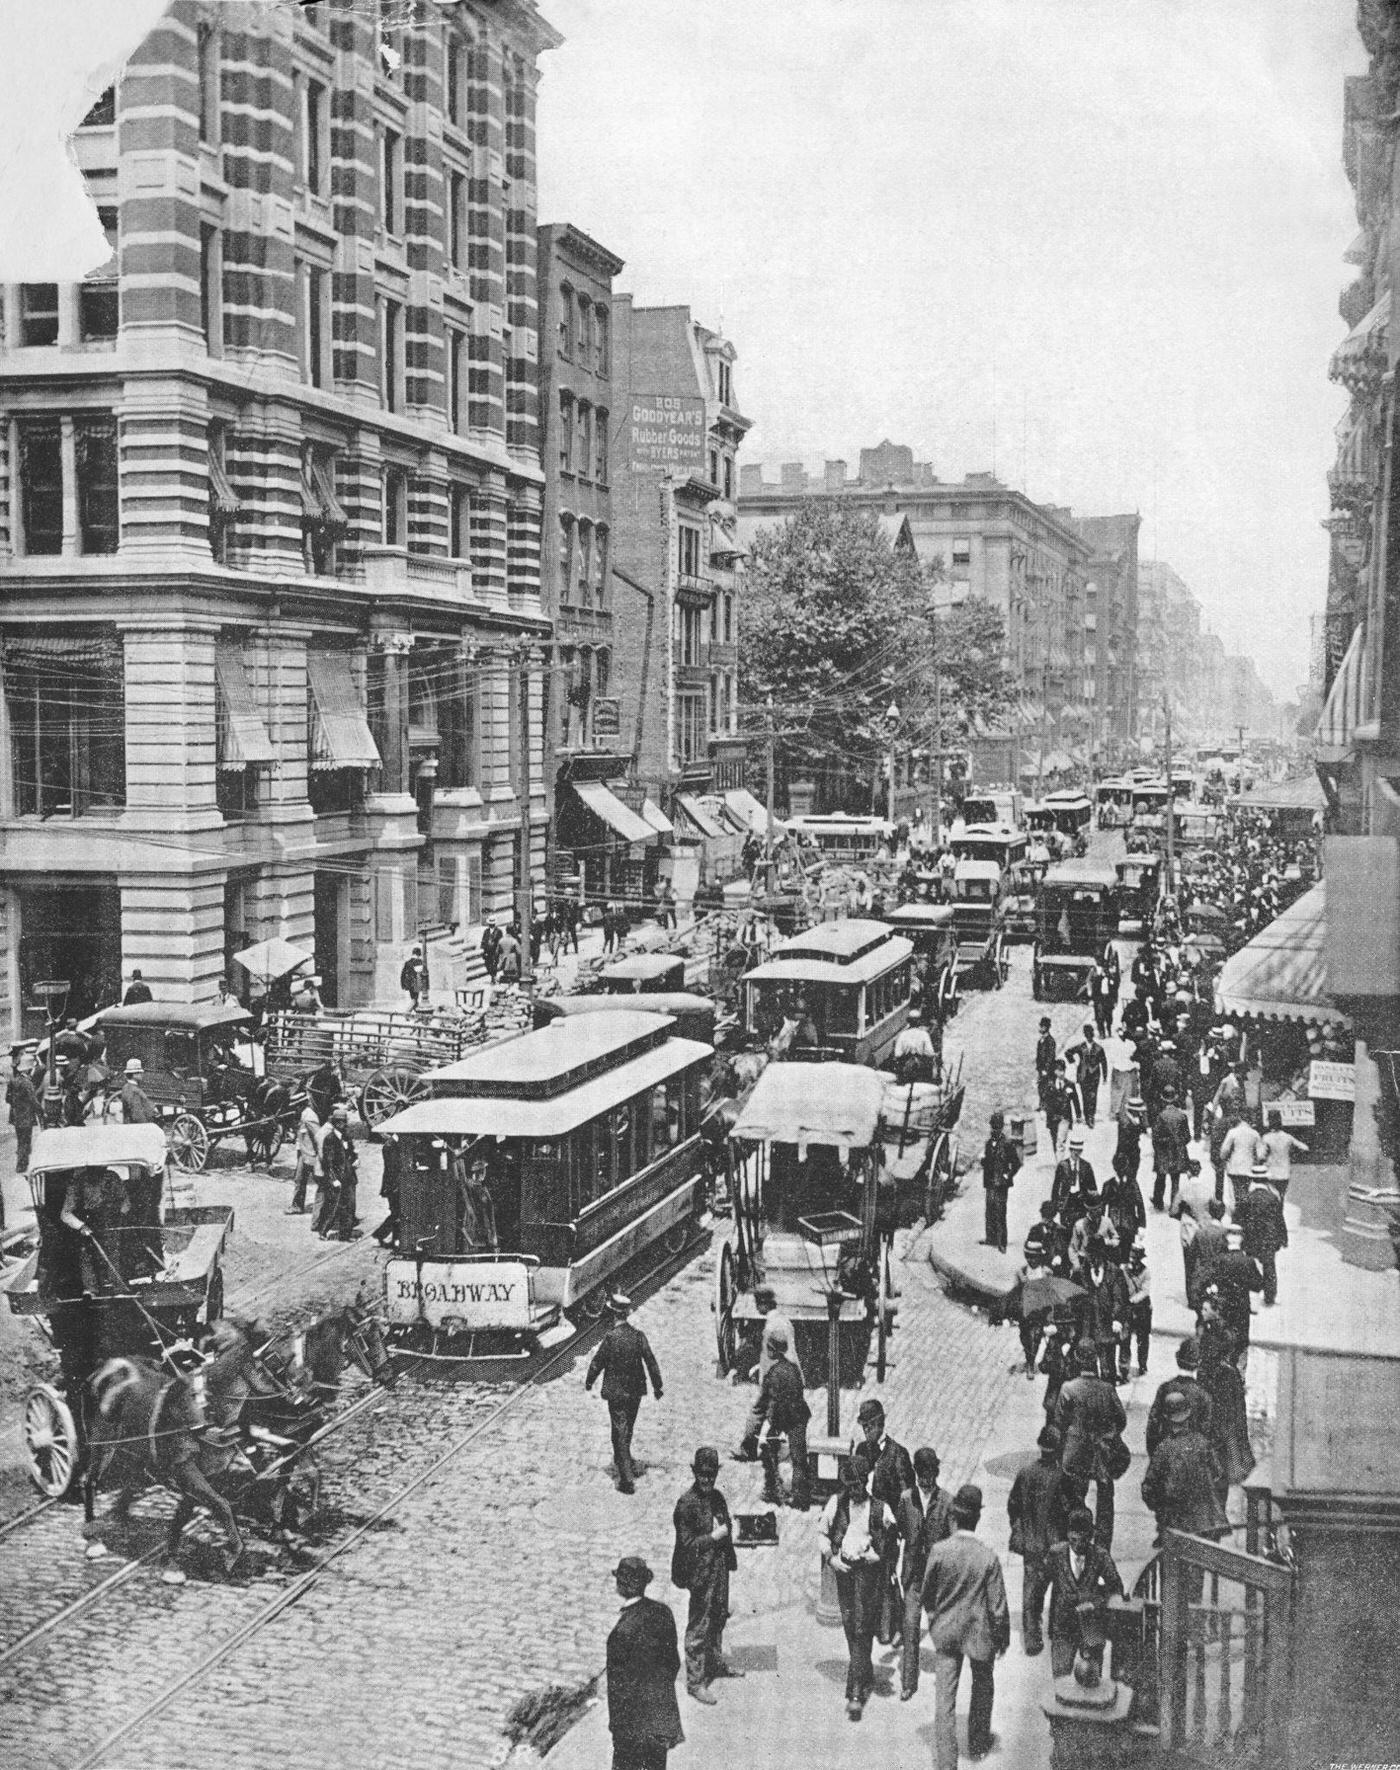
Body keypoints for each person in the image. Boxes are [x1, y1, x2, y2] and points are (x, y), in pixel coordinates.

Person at [921, 1484, 1011, 1769]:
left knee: (944, 1699)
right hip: (979, 1634)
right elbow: (998, 1607)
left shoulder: (939, 1551)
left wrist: (935, 1619)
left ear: (953, 1517)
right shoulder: (988, 1557)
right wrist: (1002, 1638)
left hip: (946, 1633)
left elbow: (926, 1595)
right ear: (978, 1518)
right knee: (983, 1686)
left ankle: (947, 1762)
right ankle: (978, 1744)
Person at [820, 1456, 894, 1720]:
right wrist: (831, 1559)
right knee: (851, 1626)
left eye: (859, 1486)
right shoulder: (836, 1504)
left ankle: (855, 1693)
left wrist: (880, 1555)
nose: (855, 1491)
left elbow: (893, 1540)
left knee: (863, 1627)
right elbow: (822, 1533)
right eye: (851, 1487)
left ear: (866, 1482)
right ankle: (865, 1673)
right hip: (845, 1574)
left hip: (869, 1576)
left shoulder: (880, 1509)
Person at [671, 1447, 740, 1705]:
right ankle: (696, 1682)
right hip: (700, 1573)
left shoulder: (718, 1498)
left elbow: (727, 1525)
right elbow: (686, 1544)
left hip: (719, 1568)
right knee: (699, 1625)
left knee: (719, 1615)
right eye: (702, 1475)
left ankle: (714, 1663)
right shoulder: (686, 1504)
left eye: (711, 1476)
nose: (707, 1480)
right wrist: (713, 1537)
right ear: (695, 1473)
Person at [606, 1556, 684, 1770]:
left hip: (630, 1727)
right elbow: (673, 1664)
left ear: (620, 1585)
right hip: (659, 1718)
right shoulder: (663, 1612)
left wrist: (616, 1729)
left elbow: (616, 1690)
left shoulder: (620, 1634)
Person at [586, 1292, 664, 1495]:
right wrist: (657, 1386)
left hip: (616, 1393)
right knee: (627, 1427)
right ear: (627, 1314)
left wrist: (589, 1380)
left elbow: (598, 1362)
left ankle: (626, 1479)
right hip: (635, 1392)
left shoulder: (611, 1338)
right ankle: (625, 1459)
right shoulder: (638, 1336)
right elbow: (651, 1361)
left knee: (619, 1432)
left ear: (613, 1315)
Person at [1007, 1425, 1073, 1658]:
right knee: (1059, 1589)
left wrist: (1021, 1529)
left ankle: (1032, 1638)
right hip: (1054, 1545)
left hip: (1031, 1544)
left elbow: (1012, 1506)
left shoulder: (1025, 1473)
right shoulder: (1062, 1477)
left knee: (1031, 1593)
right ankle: (1056, 1629)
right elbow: (1069, 1511)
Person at [1055, 1341, 1128, 1550]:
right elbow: (1121, 1419)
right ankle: (1103, 1546)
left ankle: (1077, 1539)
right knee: (1105, 1500)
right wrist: (1108, 1434)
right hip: (1101, 1452)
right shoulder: (1107, 1389)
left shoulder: (1068, 1388)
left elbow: (1059, 1422)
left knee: (1074, 1498)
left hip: (1076, 1452)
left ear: (1077, 1360)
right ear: (1095, 1360)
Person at [899, 1446, 956, 1698]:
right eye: (922, 1473)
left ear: (936, 1472)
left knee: (940, 1630)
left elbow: (954, 1541)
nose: (926, 1478)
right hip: (913, 1576)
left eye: (930, 1473)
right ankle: (908, 1683)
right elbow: (900, 1531)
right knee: (910, 1626)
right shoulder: (906, 1498)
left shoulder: (946, 1501)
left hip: (936, 1579)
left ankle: (945, 1680)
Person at [1141, 1392, 1230, 1548]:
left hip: (1177, 1523)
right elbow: (1218, 1475)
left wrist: (1159, 1509)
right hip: (1206, 1522)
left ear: (1167, 1418)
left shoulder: (1164, 1449)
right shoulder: (1203, 1443)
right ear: (1188, 1415)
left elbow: (1149, 1488)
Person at [1044, 1506, 1124, 1677]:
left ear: (1091, 1535)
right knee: (1060, 1678)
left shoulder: (1101, 1556)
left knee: (1092, 1678)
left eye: (1084, 1538)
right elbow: (1038, 1589)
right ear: (1067, 1534)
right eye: (1074, 1537)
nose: (1079, 1543)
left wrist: (1095, 1605)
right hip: (1063, 1628)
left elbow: (1116, 1589)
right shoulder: (1055, 1555)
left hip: (1092, 1628)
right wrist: (1033, 1627)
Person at [733, 1287, 802, 1460]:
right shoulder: (785, 1321)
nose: (757, 1308)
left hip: (775, 1379)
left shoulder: (770, 1327)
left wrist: (763, 1378)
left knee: (758, 1411)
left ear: (765, 1304)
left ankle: (748, 1449)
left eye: (758, 1304)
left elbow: (769, 1356)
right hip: (789, 1376)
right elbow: (792, 1352)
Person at [753, 1328, 811, 1509]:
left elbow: (763, 1405)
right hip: (799, 1417)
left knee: (767, 1450)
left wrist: (752, 1434)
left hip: (781, 1418)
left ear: (771, 1350)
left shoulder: (772, 1374)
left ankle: (772, 1489)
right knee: (799, 1458)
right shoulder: (793, 1369)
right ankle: (801, 1497)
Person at [1145, 1339, 1213, 1457]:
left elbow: (1153, 1425)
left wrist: (1155, 1455)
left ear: (1177, 1358)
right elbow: (1206, 1431)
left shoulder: (1165, 1389)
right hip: (1192, 1457)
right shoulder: (1203, 1395)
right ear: (1199, 1362)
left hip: (1166, 1454)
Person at [1237, 1161, 1288, 1306]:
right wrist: (1283, 1238)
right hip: (1269, 1238)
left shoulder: (1246, 1198)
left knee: (1250, 1266)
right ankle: (1269, 1296)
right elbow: (1279, 1219)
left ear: (1252, 1179)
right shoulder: (1273, 1198)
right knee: (1269, 1266)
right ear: (1266, 1179)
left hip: (1251, 1237)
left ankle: (1249, 1294)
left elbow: (1239, 1220)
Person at [316, 1103, 359, 1239]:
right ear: (335, 1123)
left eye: (344, 1122)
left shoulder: (346, 1137)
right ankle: (323, 1231)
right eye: (340, 1122)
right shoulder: (330, 1139)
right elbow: (327, 1163)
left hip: (349, 1177)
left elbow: (352, 1153)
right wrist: (333, 1179)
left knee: (350, 1206)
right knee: (333, 1206)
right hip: (337, 1179)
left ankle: (345, 1234)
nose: (343, 1125)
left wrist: (355, 1160)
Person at [980, 1111, 1021, 1253]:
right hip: (990, 1182)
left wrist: (1007, 1176)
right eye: (993, 1127)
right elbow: (987, 1161)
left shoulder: (1008, 1144)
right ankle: (990, 1238)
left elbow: (1016, 1163)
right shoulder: (988, 1143)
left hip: (1001, 1184)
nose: (994, 1130)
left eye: (997, 1127)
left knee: (1000, 1212)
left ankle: (1002, 1242)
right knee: (989, 1210)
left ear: (1001, 1127)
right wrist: (983, 1161)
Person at [1150, 1084, 1191, 1213]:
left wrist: (1157, 1150)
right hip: (1178, 1153)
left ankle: (1158, 1202)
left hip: (1163, 1152)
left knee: (1160, 1178)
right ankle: (1174, 1206)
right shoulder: (1182, 1116)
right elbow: (1188, 1137)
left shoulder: (1161, 1116)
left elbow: (1155, 1137)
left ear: (1163, 1099)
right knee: (1175, 1181)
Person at [1065, 1024, 1109, 1129]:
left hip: (1094, 1076)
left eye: (1090, 1034)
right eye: (1087, 1034)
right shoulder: (1081, 1046)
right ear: (1085, 1035)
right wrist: (1074, 1062)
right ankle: (1086, 1115)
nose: (1089, 1036)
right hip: (1083, 1075)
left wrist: (1105, 1077)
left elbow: (1104, 1062)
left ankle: (1091, 1117)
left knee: (1093, 1097)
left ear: (1093, 1035)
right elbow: (1068, 1052)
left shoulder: (1099, 1048)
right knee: (1085, 1097)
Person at [1260, 1107, 1308, 1200]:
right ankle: (1280, 1213)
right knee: (1282, 1197)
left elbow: (1261, 1156)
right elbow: (1305, 1148)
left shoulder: (1266, 1138)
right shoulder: (1288, 1137)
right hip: (1284, 1172)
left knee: (1272, 1197)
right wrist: (1293, 1153)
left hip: (1271, 1172)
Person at [7, 1055, 41, 1184]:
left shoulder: (13, 1081)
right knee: (25, 1140)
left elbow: (7, 1098)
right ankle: (21, 1164)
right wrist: (40, 1112)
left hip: (16, 1115)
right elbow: (33, 1100)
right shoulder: (27, 1083)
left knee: (21, 1139)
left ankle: (24, 1162)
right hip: (26, 1115)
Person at [1220, 1114, 1264, 1215]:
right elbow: (1260, 1155)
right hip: (1248, 1167)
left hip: (1234, 1166)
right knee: (1246, 1192)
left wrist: (1224, 1159)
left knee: (1235, 1193)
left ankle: (1236, 1214)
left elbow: (1224, 1150)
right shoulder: (1255, 1134)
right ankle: (1244, 1214)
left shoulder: (1233, 1132)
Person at [286, 1097, 322, 1214]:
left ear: (300, 1106)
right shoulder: (304, 1115)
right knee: (299, 1180)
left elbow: (319, 1136)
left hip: (311, 1155)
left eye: (295, 1107)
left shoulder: (309, 1117)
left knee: (323, 1182)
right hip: (304, 1153)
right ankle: (297, 1206)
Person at [1123, 1241, 1152, 1379]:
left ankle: (1142, 1364)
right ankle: (1124, 1367)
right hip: (1127, 1308)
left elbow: (1145, 1291)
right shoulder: (1124, 1270)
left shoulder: (1146, 1272)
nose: (1132, 1260)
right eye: (1131, 1256)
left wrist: (1132, 1299)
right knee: (1125, 1338)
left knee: (1142, 1338)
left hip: (1142, 1309)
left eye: (1135, 1257)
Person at [1050, 1130, 1096, 1220]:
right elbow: (1056, 1187)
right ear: (1070, 1150)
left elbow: (1093, 1187)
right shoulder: (1062, 1166)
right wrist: (1055, 1206)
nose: (1076, 1153)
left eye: (1079, 1151)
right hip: (1066, 1202)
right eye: (1074, 1150)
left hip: (1081, 1202)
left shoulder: (1086, 1166)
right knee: (1066, 1230)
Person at [1042, 1061, 1078, 1161]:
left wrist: (1078, 1115)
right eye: (1059, 1071)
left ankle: (1060, 1164)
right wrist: (1043, 1110)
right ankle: (1059, 1159)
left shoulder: (1070, 1084)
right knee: (1055, 1141)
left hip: (1064, 1117)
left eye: (1063, 1070)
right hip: (1052, 1117)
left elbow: (1076, 1101)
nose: (1062, 1073)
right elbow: (1044, 1100)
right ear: (1055, 1071)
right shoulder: (1049, 1085)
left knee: (1060, 1141)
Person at [374, 1131, 403, 1247]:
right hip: (393, 1186)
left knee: (398, 1213)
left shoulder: (395, 1144)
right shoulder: (390, 1146)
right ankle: (381, 1234)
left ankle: (395, 1239)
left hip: (395, 1185)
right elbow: (392, 1169)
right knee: (396, 1213)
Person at [119, 1058, 157, 1125]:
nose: (142, 1074)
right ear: (134, 1074)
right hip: (137, 1128)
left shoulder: (126, 1087)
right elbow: (137, 1114)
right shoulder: (135, 1091)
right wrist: (148, 1126)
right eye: (139, 1072)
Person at [307, 1057, 343, 1125]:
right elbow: (338, 1088)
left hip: (319, 1097)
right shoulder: (332, 1075)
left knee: (321, 1111)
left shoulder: (319, 1074)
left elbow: (313, 1086)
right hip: (327, 1097)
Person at [1034, 1016, 1057, 1113]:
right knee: (1041, 1087)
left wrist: (1046, 1069)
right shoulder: (1041, 1040)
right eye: (1041, 1026)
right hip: (1041, 1069)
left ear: (1046, 1027)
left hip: (1048, 1070)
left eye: (1042, 1026)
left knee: (1047, 1088)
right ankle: (1042, 1105)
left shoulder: (1050, 1041)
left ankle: (1047, 1107)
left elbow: (1050, 1057)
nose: (1040, 1028)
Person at [400, 944, 430, 1010]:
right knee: (414, 1000)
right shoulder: (419, 962)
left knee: (414, 1000)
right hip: (417, 984)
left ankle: (417, 1014)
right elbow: (423, 974)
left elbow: (402, 975)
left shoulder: (407, 962)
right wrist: (426, 986)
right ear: (418, 954)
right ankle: (407, 1013)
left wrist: (403, 985)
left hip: (409, 985)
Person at [480, 916, 502, 983]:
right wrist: (482, 948)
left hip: (495, 951)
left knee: (494, 964)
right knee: (487, 965)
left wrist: (498, 950)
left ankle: (493, 977)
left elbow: (500, 941)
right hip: (487, 951)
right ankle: (492, 975)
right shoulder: (486, 931)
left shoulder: (498, 931)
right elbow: (483, 940)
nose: (491, 925)